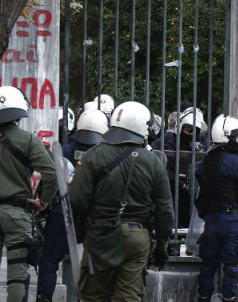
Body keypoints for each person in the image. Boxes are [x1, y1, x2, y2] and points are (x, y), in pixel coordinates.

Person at [69, 101, 174, 302]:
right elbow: (165, 211)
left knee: (92, 296)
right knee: (127, 297)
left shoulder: (94, 155)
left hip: (100, 234)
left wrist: (83, 232)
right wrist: (161, 246)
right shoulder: (153, 162)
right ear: (142, 127)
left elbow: (76, 199)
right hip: (136, 237)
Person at [0, 86, 57, 302]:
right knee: (17, 279)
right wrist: (43, 201)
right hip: (17, 215)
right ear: (19, 112)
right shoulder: (28, 140)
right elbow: (51, 172)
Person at [36, 109, 109, 302]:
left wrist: (45, 201)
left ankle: (44, 296)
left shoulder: (65, 150)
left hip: (62, 210)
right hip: (93, 213)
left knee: (50, 260)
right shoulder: (104, 155)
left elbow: (48, 180)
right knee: (91, 261)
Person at [194, 115, 238, 302]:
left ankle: (203, 297)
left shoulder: (206, 162)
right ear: (228, 137)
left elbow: (200, 179)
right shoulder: (236, 162)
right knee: (231, 267)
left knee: (208, 265)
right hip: (232, 221)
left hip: (212, 221)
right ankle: (229, 298)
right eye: (237, 136)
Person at [165, 108, 206, 229]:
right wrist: (182, 184)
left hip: (196, 197)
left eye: (196, 131)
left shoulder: (202, 146)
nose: (192, 133)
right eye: (189, 130)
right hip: (175, 195)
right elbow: (166, 171)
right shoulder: (169, 144)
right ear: (181, 128)